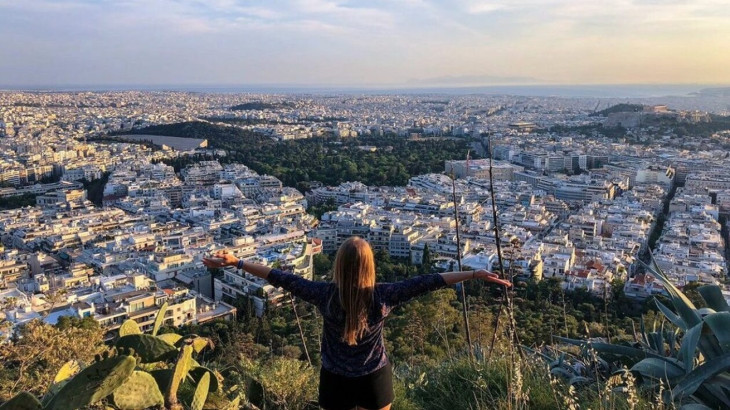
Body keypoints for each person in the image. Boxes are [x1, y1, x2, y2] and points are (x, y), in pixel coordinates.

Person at [203, 236, 511, 410]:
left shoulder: (324, 295)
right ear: (370, 266)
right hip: (374, 377)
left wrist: (237, 262)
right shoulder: (383, 296)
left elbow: (279, 277)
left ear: (338, 264)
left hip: (334, 378)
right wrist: (473, 274)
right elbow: (430, 281)